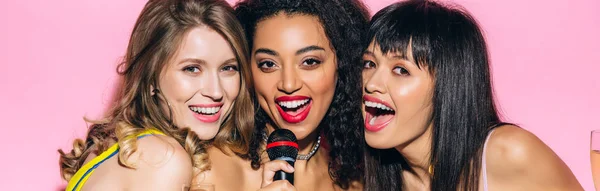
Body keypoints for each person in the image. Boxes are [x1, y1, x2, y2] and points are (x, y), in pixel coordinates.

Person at [361, 1, 583, 190]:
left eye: (401, 70)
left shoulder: (509, 154)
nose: (371, 83)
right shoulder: (368, 177)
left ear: (447, 85)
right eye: (369, 63)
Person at [57, 0, 254, 190]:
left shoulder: (121, 148)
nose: (216, 91)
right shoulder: (163, 160)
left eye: (228, 68)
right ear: (150, 78)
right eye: (192, 69)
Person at [200, 0, 369, 190]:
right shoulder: (210, 169)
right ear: (247, 70)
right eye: (269, 64)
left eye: (310, 62)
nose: (288, 84)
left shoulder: (355, 180)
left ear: (342, 66)